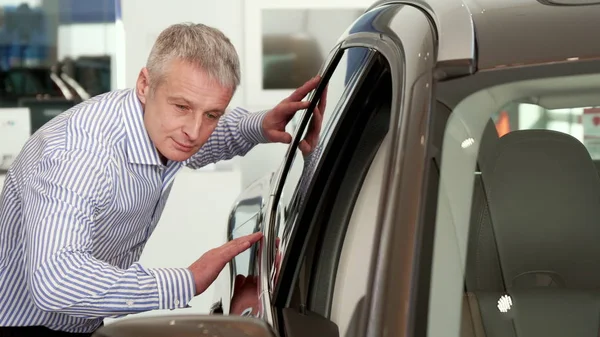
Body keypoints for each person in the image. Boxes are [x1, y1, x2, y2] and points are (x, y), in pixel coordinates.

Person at [0, 22, 326, 337]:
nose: (195, 130)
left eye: (212, 114)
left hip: (78, 321)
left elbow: (201, 137)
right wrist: (187, 281)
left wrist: (260, 125)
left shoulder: (156, 124)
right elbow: (55, 282)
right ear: (145, 84)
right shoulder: (80, 155)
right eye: (182, 106)